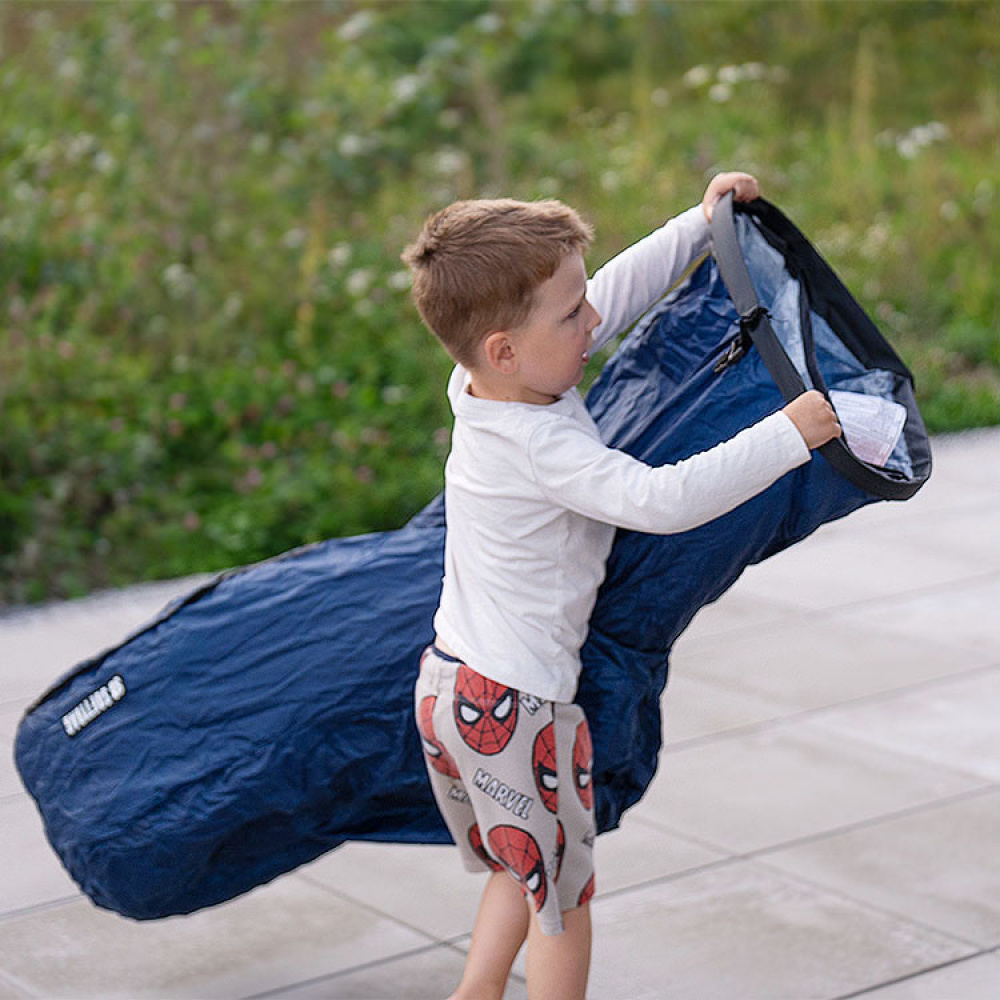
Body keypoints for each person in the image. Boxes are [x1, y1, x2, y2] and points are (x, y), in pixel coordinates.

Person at [402, 173, 841, 1000]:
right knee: (564, 907)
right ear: (504, 348)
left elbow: (605, 290)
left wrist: (697, 224)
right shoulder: (540, 443)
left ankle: (475, 994)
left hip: (450, 690)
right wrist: (789, 434)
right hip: (519, 712)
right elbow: (658, 501)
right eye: (572, 318)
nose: (594, 321)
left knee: (520, 867)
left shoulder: (480, 386)